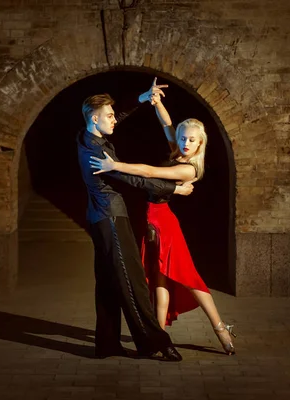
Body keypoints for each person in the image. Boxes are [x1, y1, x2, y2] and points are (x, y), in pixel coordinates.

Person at [89, 78, 237, 355]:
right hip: (152, 223)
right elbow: (167, 125)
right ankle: (159, 334)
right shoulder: (176, 152)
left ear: (200, 144)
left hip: (165, 224)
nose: (185, 143)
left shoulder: (190, 170)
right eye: (183, 138)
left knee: (189, 279)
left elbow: (149, 173)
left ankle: (220, 327)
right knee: (159, 278)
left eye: (192, 140)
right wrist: (156, 102)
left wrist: (115, 165)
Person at [77, 88, 195, 362]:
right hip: (110, 218)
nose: (114, 120)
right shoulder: (95, 154)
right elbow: (134, 180)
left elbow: (116, 114)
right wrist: (173, 190)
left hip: (99, 217)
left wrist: (140, 99)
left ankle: (107, 344)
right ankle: (154, 342)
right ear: (95, 119)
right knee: (133, 281)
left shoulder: (87, 136)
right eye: (108, 116)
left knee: (107, 282)